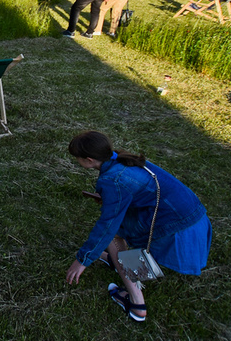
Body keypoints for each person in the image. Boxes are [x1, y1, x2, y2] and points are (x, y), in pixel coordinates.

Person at [65, 131, 211, 322]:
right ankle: (118, 261)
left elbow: (107, 227)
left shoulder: (112, 180)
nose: (77, 161)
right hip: (192, 212)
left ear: (89, 160)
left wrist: (83, 260)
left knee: (113, 234)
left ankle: (137, 303)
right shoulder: (122, 159)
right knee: (118, 230)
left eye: (77, 158)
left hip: (179, 225)